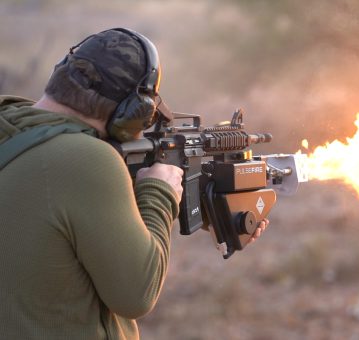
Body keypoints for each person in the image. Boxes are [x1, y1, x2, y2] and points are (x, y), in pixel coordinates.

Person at [0, 28, 267, 340]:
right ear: (134, 111)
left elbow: (55, 225)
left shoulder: (15, 133)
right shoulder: (86, 160)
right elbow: (137, 294)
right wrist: (160, 193)